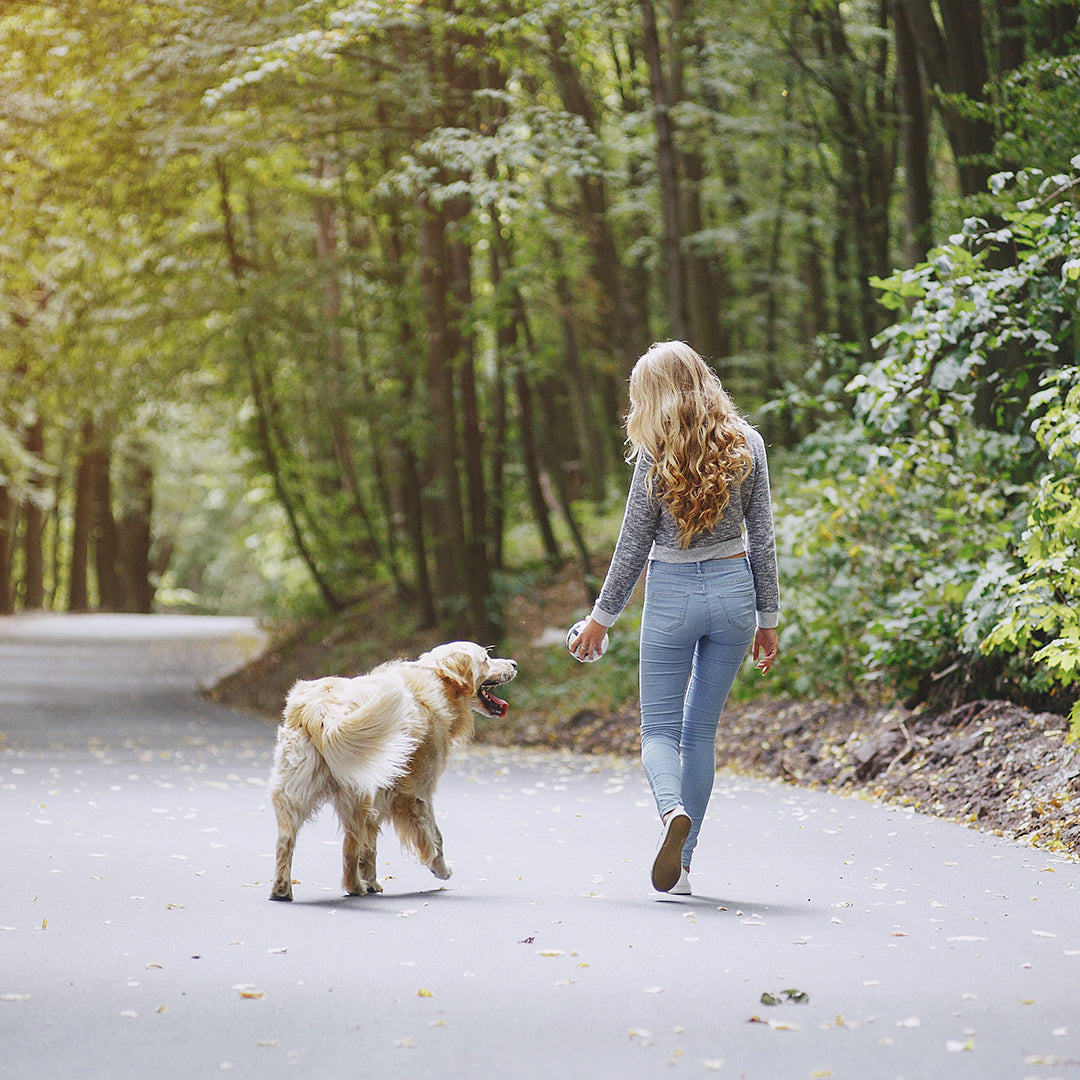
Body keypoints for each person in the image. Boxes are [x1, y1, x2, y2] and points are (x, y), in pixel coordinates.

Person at [569, 341, 780, 895]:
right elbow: (762, 537)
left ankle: (670, 814)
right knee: (701, 734)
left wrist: (600, 618)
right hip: (736, 594)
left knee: (658, 730)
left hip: (672, 598)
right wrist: (769, 617)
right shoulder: (749, 444)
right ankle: (683, 866)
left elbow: (633, 543)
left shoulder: (655, 453)